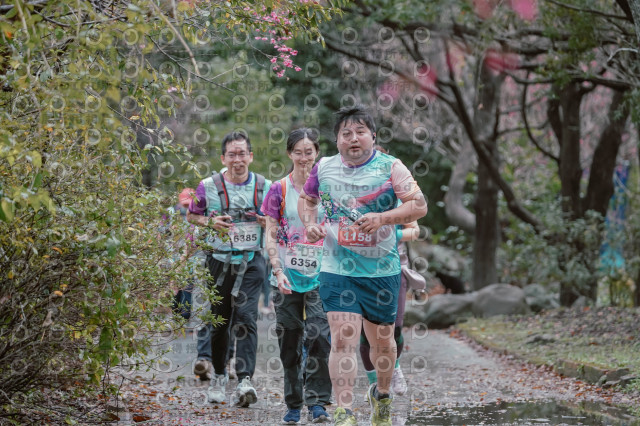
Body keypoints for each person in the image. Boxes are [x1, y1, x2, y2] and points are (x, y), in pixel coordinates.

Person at [298, 105, 428, 426]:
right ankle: (344, 410)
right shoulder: (324, 167)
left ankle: (381, 396)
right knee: (343, 338)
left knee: (383, 343)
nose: (353, 138)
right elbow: (307, 199)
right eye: (346, 133)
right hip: (337, 269)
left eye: (360, 132)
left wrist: (383, 218)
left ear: (373, 136)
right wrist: (310, 223)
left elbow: (419, 205)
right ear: (337, 140)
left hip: (381, 272)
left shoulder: (391, 167)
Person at [187, 131, 271, 407]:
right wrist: (210, 223)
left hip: (251, 261)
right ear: (223, 158)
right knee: (220, 321)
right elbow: (192, 215)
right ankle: (219, 376)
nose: (238, 159)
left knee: (246, 317)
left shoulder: (265, 186)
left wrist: (266, 222)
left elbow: (277, 219)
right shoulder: (207, 186)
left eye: (242, 153)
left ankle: (245, 380)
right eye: (232, 154)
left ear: (251, 156)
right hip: (219, 261)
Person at [261, 128, 332, 424]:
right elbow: (270, 232)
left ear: (317, 153)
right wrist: (277, 269)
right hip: (286, 276)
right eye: (298, 152)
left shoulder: (327, 188)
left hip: (322, 274)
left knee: (319, 337)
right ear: (290, 154)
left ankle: (318, 403)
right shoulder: (278, 189)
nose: (304, 158)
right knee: (289, 339)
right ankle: (293, 403)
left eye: (309, 152)